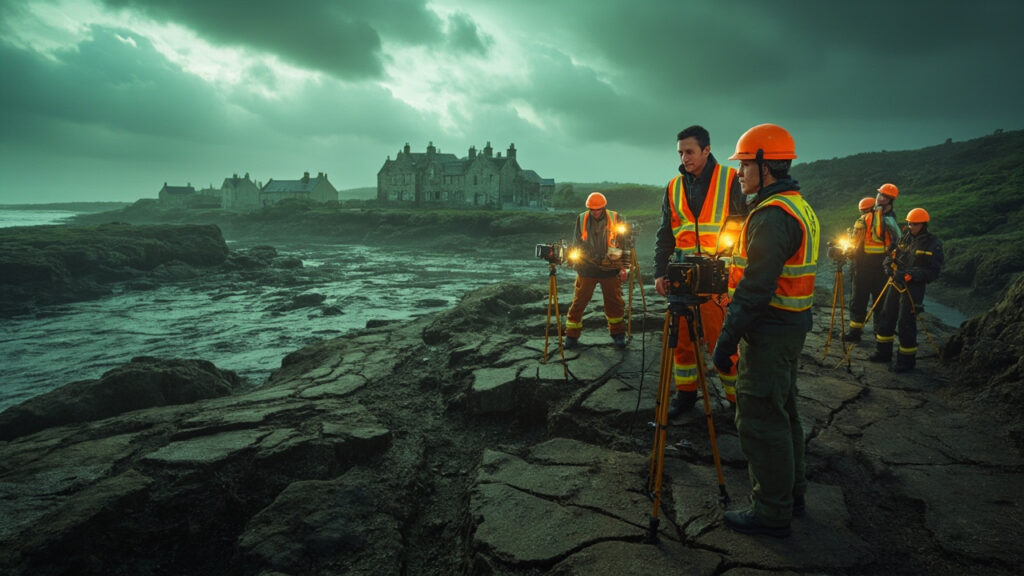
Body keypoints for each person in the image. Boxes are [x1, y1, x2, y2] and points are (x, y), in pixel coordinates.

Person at [711, 123, 820, 538]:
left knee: (759, 418)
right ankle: (792, 494)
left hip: (770, 330)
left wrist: (726, 341)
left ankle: (772, 513)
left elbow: (755, 289)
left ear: (764, 165)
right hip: (791, 326)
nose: (738, 173)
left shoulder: (773, 215)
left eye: (743, 165)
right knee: (785, 412)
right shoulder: (798, 206)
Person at [653, 125, 747, 416]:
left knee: (722, 341)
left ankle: (736, 402)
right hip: (680, 276)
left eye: (690, 152)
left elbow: (748, 227)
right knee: (681, 341)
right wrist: (660, 272)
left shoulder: (732, 180)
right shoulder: (673, 187)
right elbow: (665, 234)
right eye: (680, 152)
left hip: (718, 277)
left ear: (707, 150)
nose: (684, 158)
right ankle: (685, 395)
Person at [869, 208, 944, 372]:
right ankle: (883, 353)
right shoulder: (905, 238)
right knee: (886, 315)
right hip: (896, 283)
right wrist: (888, 265)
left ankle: (906, 361)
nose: (910, 226)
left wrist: (912, 275)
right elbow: (892, 253)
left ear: (923, 224)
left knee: (906, 323)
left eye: (914, 224)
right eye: (909, 223)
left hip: (913, 288)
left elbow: (933, 272)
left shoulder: (932, 244)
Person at [564, 192, 630, 349]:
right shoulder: (581, 218)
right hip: (587, 267)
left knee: (614, 302)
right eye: (592, 209)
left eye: (598, 209)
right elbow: (576, 242)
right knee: (579, 301)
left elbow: (625, 245)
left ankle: (618, 335)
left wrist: (624, 268)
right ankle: (571, 336)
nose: (595, 212)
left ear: (604, 207)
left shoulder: (616, 218)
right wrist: (573, 260)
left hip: (610, 267)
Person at [846, 185, 901, 342]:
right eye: (879, 194)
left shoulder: (890, 219)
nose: (879, 197)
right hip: (862, 265)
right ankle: (855, 333)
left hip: (881, 268)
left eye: (884, 196)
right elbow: (855, 240)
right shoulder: (868, 217)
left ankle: (880, 333)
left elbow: (897, 241)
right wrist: (850, 252)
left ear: (891, 200)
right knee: (858, 300)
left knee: (881, 302)